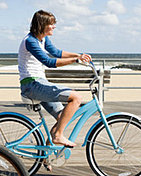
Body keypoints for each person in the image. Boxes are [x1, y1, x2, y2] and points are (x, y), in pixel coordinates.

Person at [18, 10, 92, 148]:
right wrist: (75, 60)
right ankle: (58, 136)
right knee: (76, 98)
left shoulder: (43, 39)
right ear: (41, 25)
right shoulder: (30, 41)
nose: (53, 27)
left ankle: (47, 155)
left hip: (39, 83)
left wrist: (79, 55)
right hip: (32, 84)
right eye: (51, 24)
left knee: (62, 117)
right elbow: (49, 62)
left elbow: (56, 52)